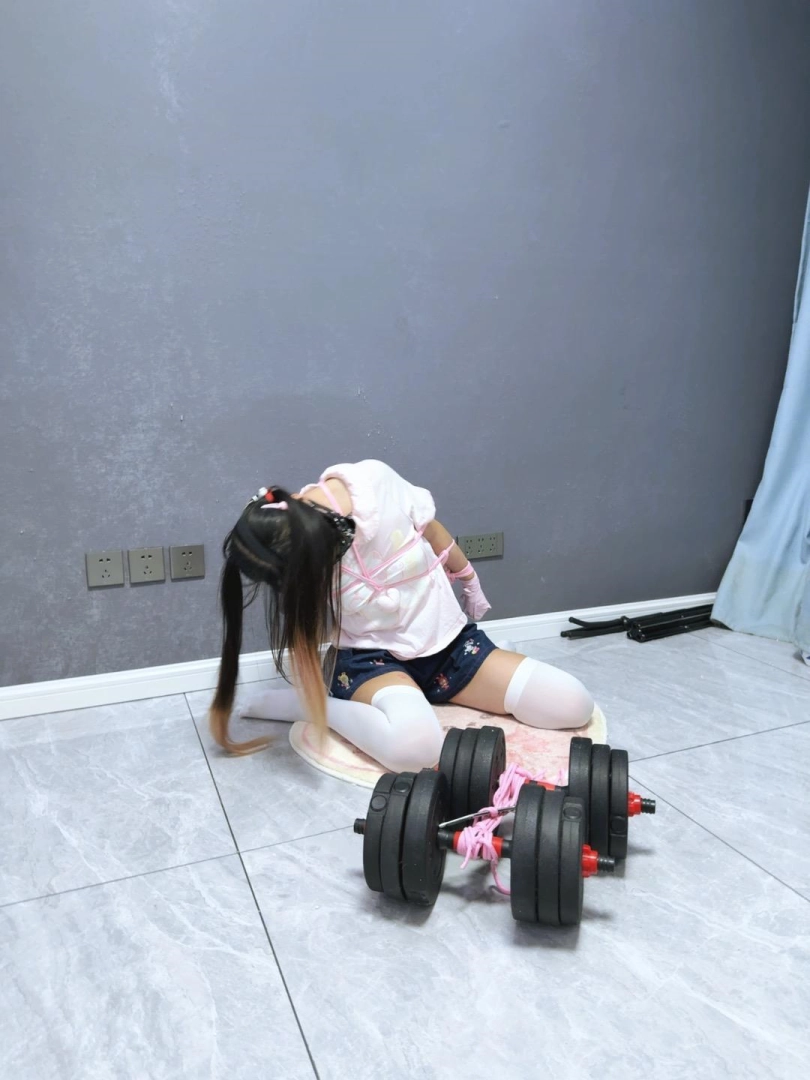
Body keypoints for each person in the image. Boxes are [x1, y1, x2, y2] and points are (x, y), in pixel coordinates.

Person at [210, 459, 594, 771]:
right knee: (415, 751)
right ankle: (314, 707)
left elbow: (432, 529)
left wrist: (469, 579)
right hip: (369, 658)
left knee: (571, 704)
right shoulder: (301, 552)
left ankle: (421, 693)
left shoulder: (375, 484)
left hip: (445, 644)